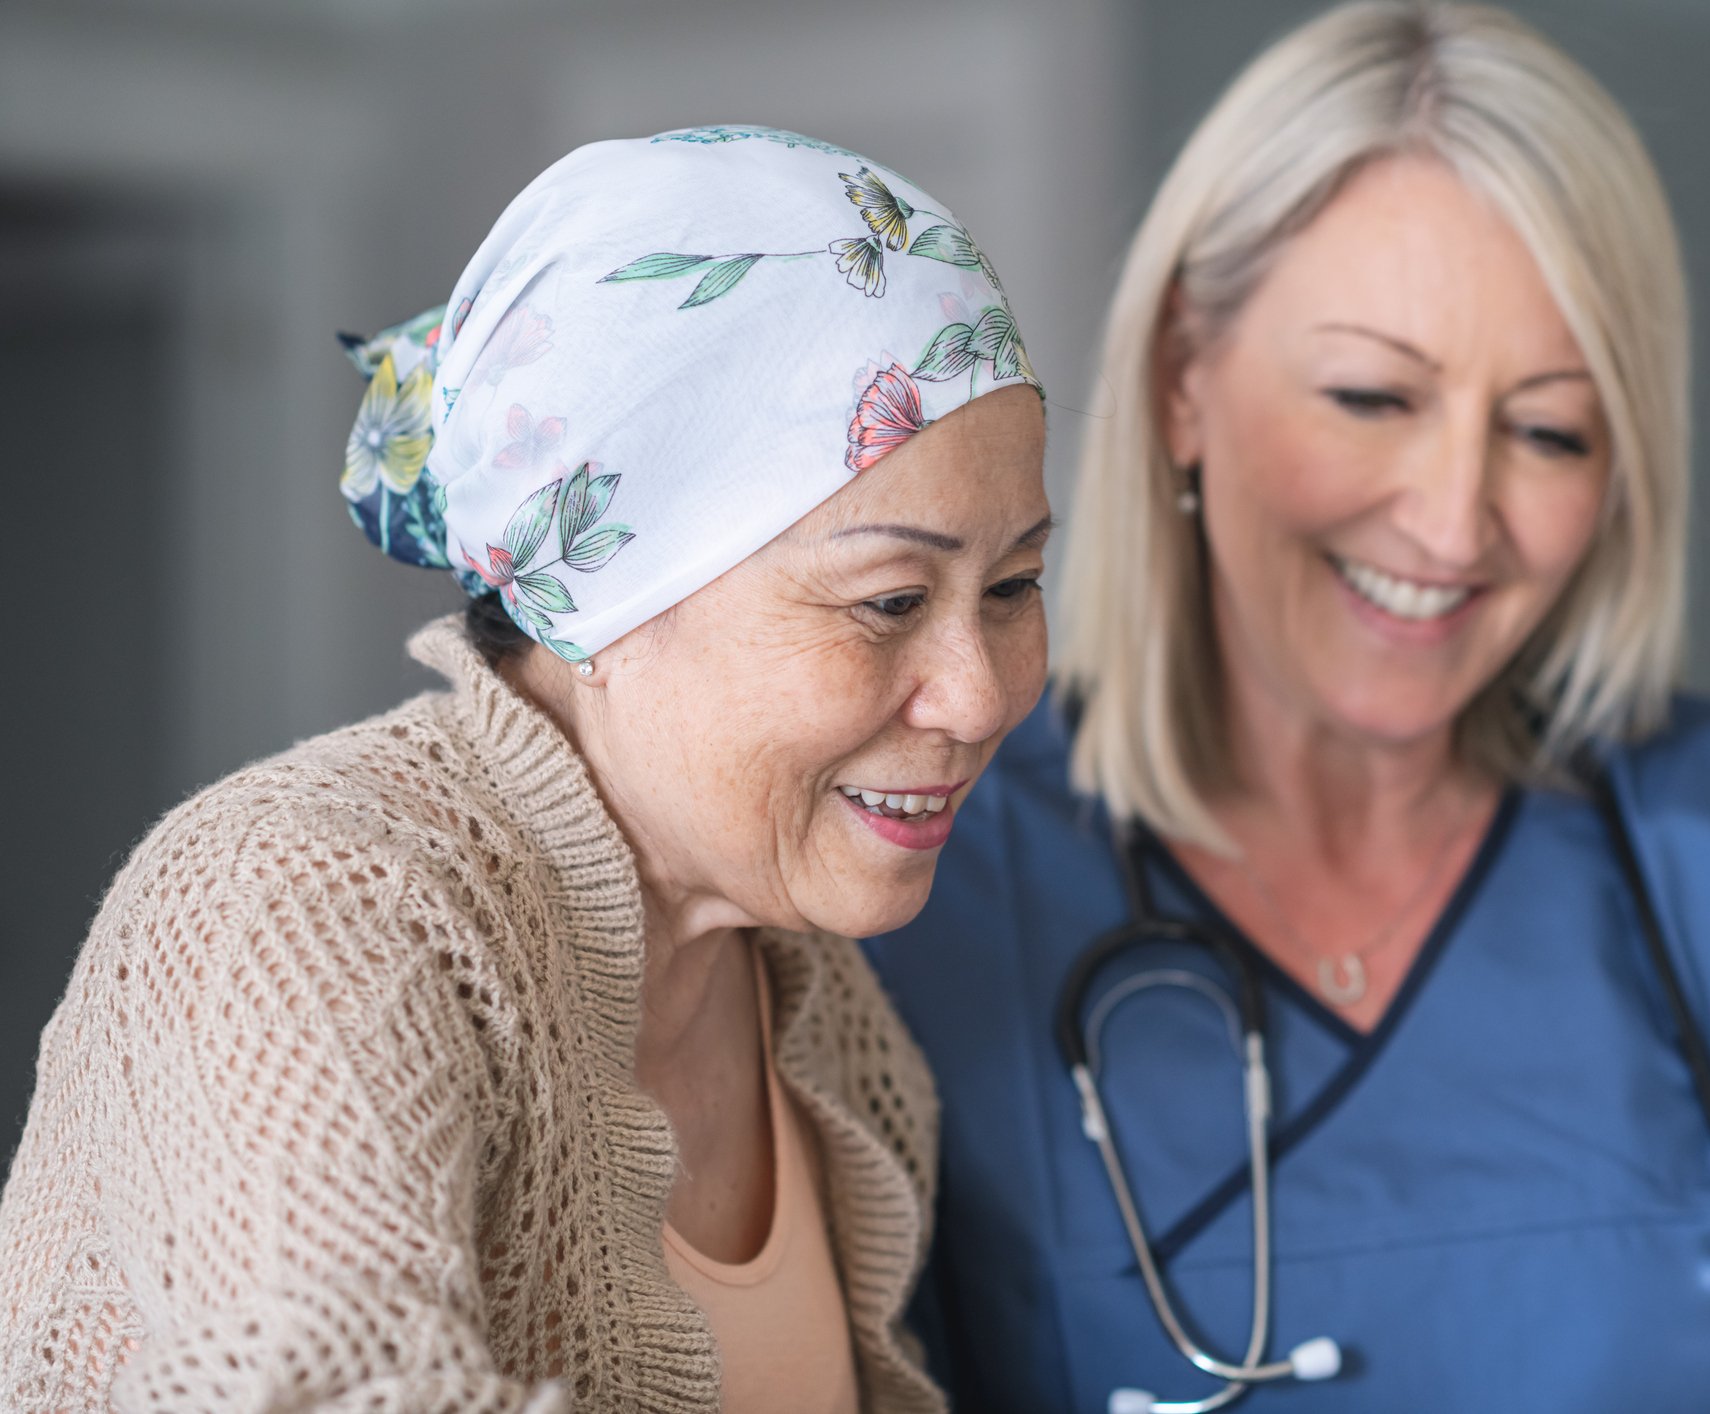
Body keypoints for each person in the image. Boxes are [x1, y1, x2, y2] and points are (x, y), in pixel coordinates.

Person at [861, 6, 1710, 1411]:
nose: (1451, 523)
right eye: (1374, 396)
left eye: (1549, 428)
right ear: (1184, 376)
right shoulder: (927, 877)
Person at [0, 126, 1049, 1412]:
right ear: (597, 599)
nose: (985, 693)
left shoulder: (811, 990)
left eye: (1012, 585)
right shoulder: (299, 906)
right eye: (890, 600)